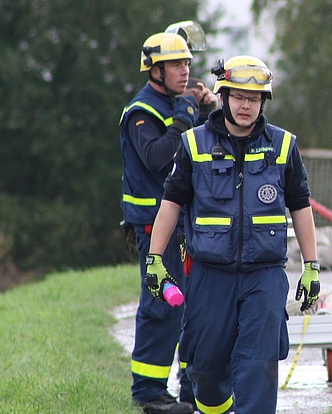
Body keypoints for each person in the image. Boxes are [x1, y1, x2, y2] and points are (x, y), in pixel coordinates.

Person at [145, 55, 321, 413]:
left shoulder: (283, 146)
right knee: (206, 370)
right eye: (238, 97)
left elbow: (301, 207)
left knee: (259, 366)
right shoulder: (194, 144)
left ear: (263, 102)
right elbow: (171, 203)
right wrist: (154, 260)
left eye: (253, 99)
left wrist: (312, 265)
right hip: (210, 276)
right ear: (222, 97)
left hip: (265, 275)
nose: (245, 105)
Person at [119, 31, 217, 414]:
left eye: (188, 63)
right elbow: (159, 158)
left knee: (193, 308)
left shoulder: (181, 105)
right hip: (153, 226)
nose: (185, 70)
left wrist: (209, 110)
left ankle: (190, 389)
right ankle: (148, 393)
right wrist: (185, 117)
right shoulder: (142, 111)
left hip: (186, 224)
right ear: (154, 70)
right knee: (161, 307)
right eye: (176, 64)